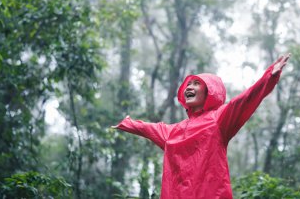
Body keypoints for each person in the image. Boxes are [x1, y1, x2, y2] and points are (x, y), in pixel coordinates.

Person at [112, 54, 290, 199]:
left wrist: (269, 76)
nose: (189, 86)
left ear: (210, 91)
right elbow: (149, 128)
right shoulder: (173, 132)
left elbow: (244, 101)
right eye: (188, 84)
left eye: (196, 83)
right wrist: (127, 123)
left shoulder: (219, 119)